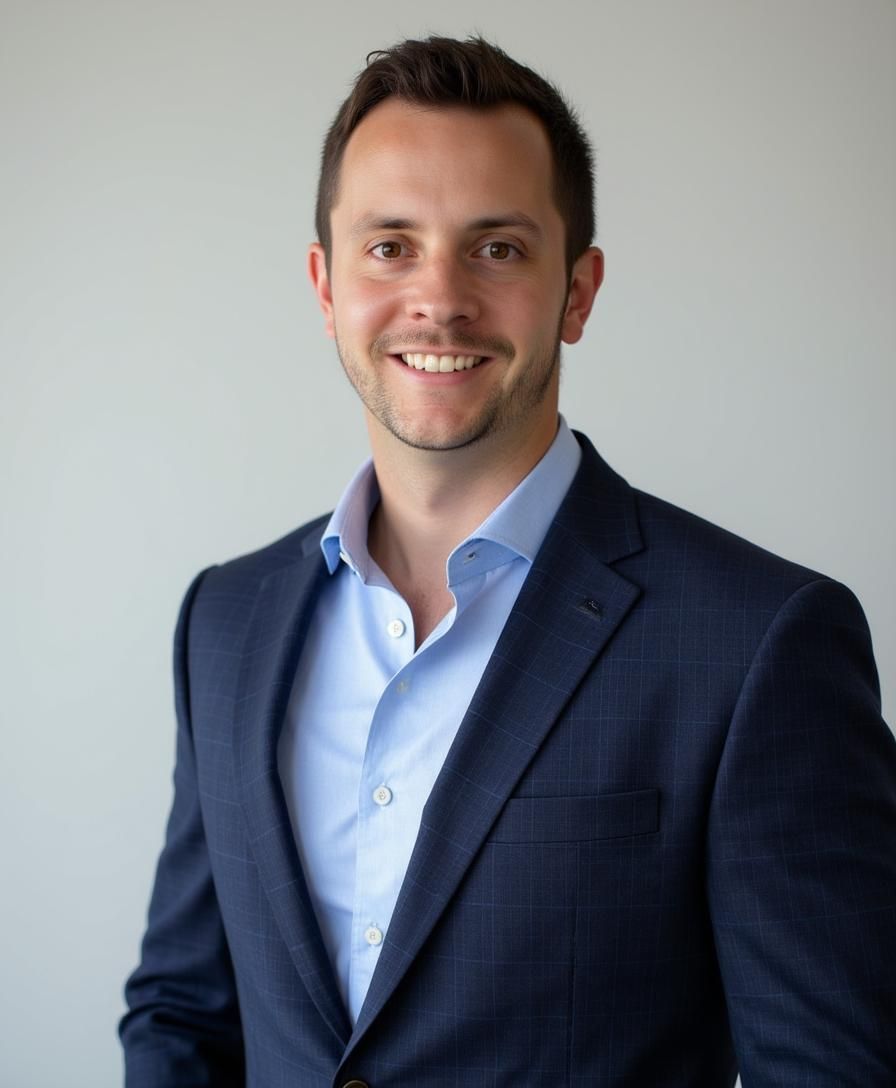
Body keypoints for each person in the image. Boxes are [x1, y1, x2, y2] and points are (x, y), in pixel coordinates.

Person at [119, 35, 896, 1087]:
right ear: (324, 283)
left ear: (576, 290)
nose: (437, 300)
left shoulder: (759, 642)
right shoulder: (225, 619)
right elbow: (181, 1012)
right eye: (389, 245)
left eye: (495, 248)